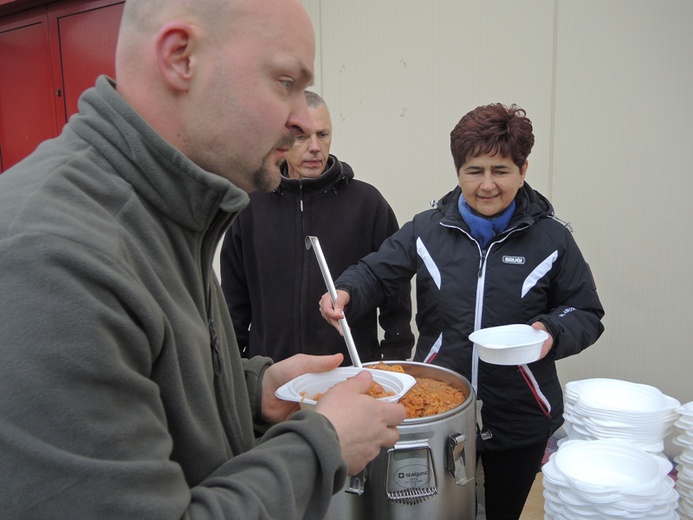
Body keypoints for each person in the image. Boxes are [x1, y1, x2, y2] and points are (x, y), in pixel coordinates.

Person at [0, 0, 407, 518]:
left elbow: (152, 383)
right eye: (285, 81)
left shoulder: (175, 211)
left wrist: (253, 388)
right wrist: (322, 446)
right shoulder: (51, 259)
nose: (303, 120)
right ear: (180, 57)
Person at [320, 103, 605, 520]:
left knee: (506, 511)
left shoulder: (552, 239)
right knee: (438, 513)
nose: (487, 184)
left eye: (501, 170)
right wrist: (345, 292)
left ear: (523, 170)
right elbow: (375, 273)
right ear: (458, 171)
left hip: (522, 414)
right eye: (474, 170)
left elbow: (586, 312)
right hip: (440, 411)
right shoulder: (426, 229)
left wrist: (550, 331)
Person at [220, 90, 414, 365]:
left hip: (348, 377)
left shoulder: (367, 204)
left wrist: (395, 362)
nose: (314, 147)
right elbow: (233, 305)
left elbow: (395, 291)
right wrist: (234, 374)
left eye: (322, 135)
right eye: (301, 137)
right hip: (272, 378)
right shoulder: (250, 208)